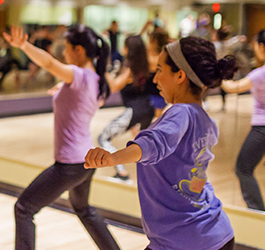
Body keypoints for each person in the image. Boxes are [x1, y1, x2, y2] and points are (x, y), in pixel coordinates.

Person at [85, 36, 237, 250]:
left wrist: (112, 158)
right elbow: (196, 175)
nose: (155, 79)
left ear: (180, 76)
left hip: (186, 242)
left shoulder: (180, 112)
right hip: (216, 234)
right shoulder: (205, 120)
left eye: (159, 70)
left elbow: (153, 145)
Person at [3, 25, 120, 250]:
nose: (63, 53)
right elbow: (81, 97)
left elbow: (48, 63)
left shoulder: (78, 75)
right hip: (86, 161)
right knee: (84, 209)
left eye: (66, 49)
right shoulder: (96, 80)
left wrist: (24, 45)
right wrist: (65, 86)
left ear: (79, 50)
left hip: (70, 164)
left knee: (24, 208)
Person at [98, 35, 157, 182]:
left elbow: (114, 86)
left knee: (103, 138)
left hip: (134, 110)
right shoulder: (145, 65)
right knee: (142, 145)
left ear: (128, 49)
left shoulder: (131, 68)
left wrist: (103, 69)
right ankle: (153, 177)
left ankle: (122, 173)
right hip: (148, 108)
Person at [221, 29, 265, 211]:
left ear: (262, 47)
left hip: (262, 127)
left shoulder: (260, 74)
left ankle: (258, 213)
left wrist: (219, 73)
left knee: (243, 168)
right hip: (259, 127)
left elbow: (232, 87)